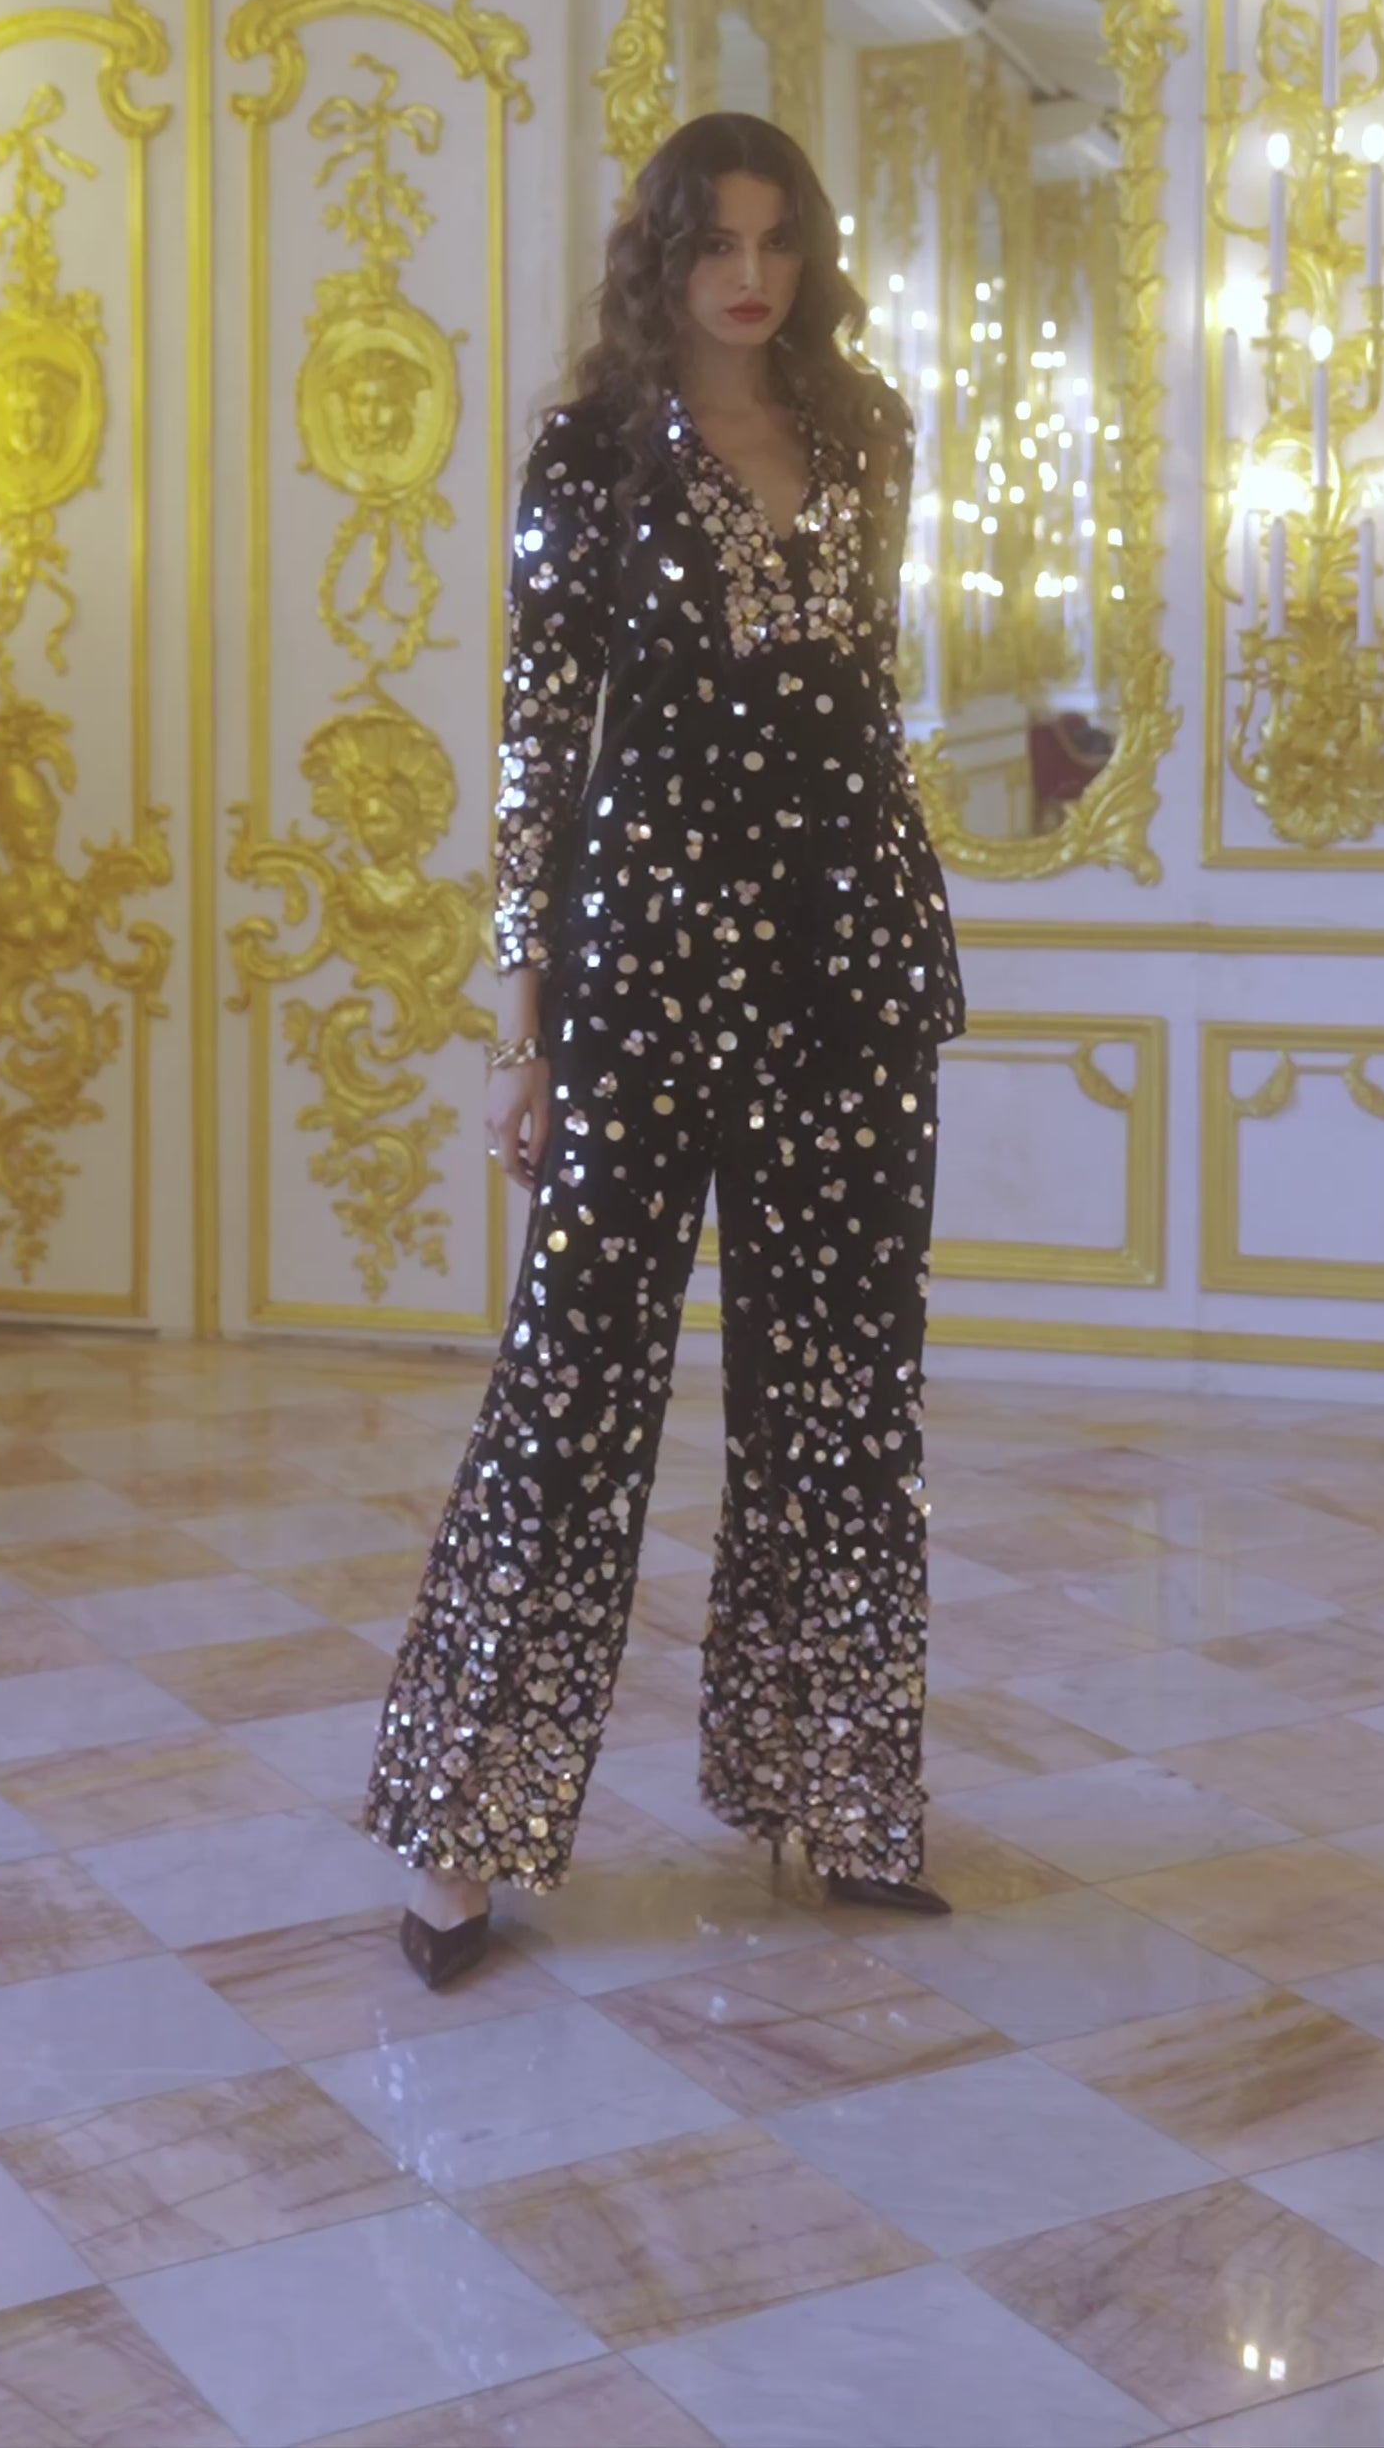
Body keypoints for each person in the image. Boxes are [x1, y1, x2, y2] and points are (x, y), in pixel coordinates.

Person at [364, 110, 965, 1986]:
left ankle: (837, 1793)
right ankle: (461, 1834)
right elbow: (541, 742)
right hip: (641, 970)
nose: (749, 275)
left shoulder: (867, 433)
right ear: (663, 256)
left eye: (776, 241)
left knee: (845, 1390)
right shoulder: (594, 455)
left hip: (845, 963)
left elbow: (864, 701)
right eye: (715, 242)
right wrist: (518, 1023)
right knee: (571, 1389)